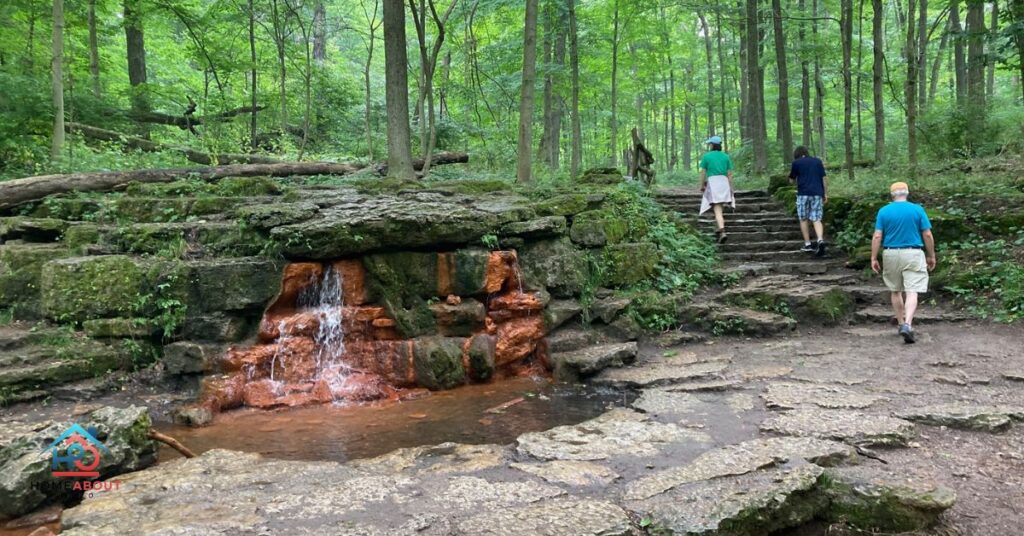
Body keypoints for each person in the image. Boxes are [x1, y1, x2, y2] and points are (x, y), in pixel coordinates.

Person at [870, 182, 937, 344]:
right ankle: (908, 324)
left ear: (892, 195)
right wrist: (931, 255)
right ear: (907, 193)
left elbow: (877, 235)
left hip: (891, 253)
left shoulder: (884, 211)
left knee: (895, 290)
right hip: (913, 253)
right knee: (912, 290)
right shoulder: (917, 209)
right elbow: (927, 234)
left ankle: (900, 323)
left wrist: (873, 257)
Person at [788, 146, 828, 257]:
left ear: (797, 154)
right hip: (817, 193)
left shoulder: (796, 163)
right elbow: (824, 178)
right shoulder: (817, 161)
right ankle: (820, 240)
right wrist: (825, 193)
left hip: (803, 194)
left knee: (803, 218)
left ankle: (808, 244)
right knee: (816, 218)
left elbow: (791, 180)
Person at [698, 135, 735, 243]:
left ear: (713, 145)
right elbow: (729, 174)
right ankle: (718, 228)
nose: (709, 145)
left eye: (710, 144)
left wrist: (701, 185)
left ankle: (722, 231)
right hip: (724, 182)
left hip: (713, 182)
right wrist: (731, 187)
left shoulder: (707, 156)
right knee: (719, 207)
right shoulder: (725, 157)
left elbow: (703, 172)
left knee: (717, 209)